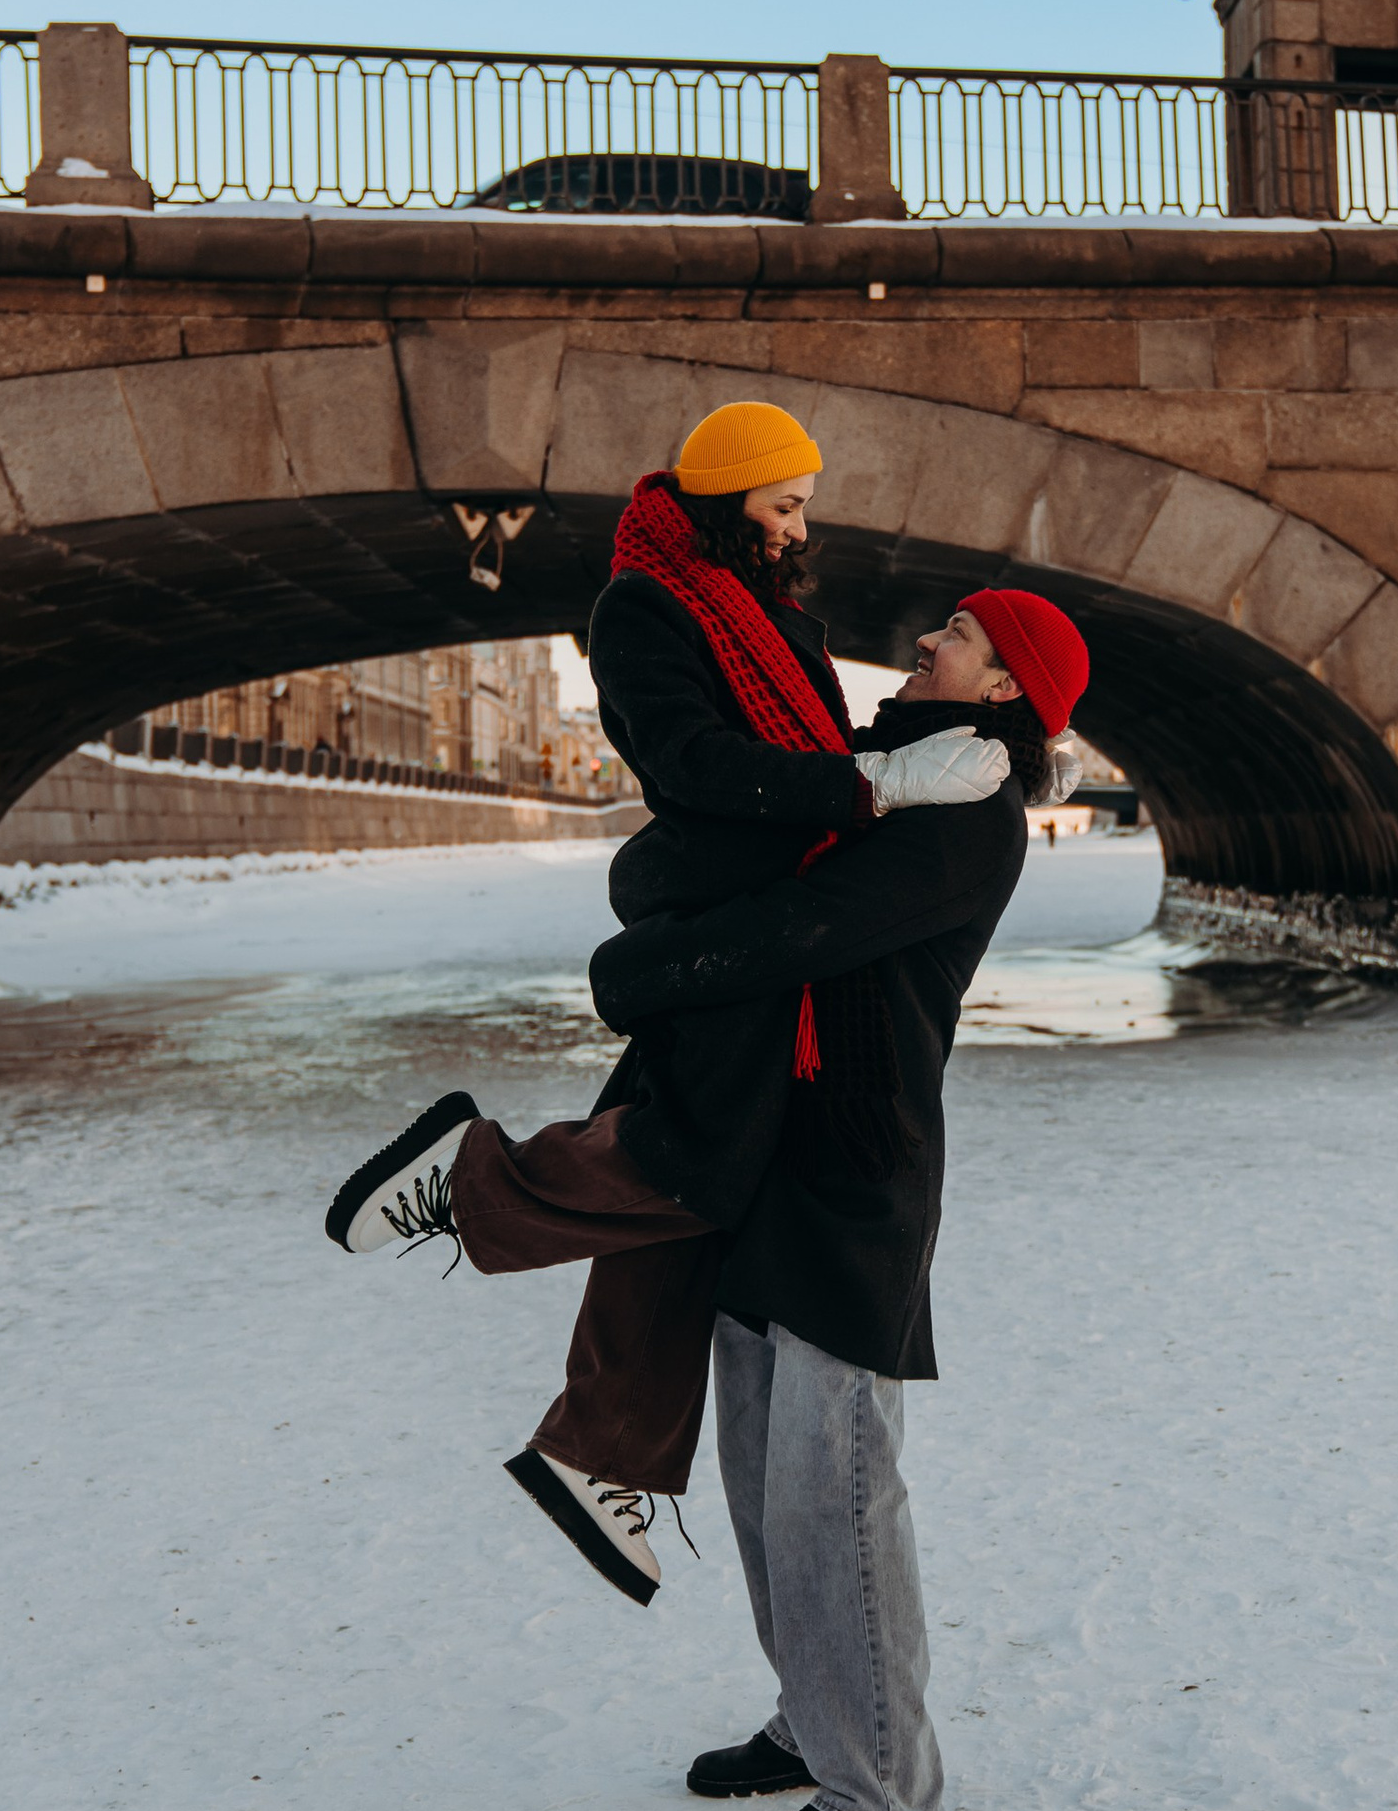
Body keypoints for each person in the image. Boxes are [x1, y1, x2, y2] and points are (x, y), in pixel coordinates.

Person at [322, 396, 1009, 1608]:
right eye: (783, 504)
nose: (800, 527)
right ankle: (463, 1180)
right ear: (729, 498)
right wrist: (873, 788)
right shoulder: (643, 608)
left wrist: (891, 769)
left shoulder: (769, 611)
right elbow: (693, 764)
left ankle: (597, 1449)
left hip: (753, 917)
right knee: (694, 1162)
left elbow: (795, 748)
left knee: (692, 1195)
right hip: (726, 916)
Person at [588, 580, 1091, 1811]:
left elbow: (794, 933)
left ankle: (885, 1791)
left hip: (854, 1172)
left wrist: (644, 971)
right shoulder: (864, 775)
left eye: (962, 636)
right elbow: (697, 845)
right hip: (769, 1146)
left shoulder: (963, 810)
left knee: (837, 1487)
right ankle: (815, 1717)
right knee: (763, 1474)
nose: (929, 635)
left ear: (1003, 694)